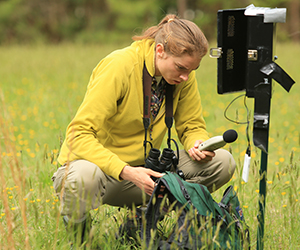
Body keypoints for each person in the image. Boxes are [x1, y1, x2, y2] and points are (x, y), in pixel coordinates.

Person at [52, 14, 236, 248]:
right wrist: (126, 170)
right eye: (180, 68)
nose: (185, 77)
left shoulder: (183, 76)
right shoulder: (119, 66)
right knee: (81, 178)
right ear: (160, 51)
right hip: (102, 173)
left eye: (192, 70)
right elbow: (78, 135)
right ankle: (80, 238)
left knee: (222, 162)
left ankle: (141, 223)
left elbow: (191, 125)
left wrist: (197, 142)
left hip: (148, 174)